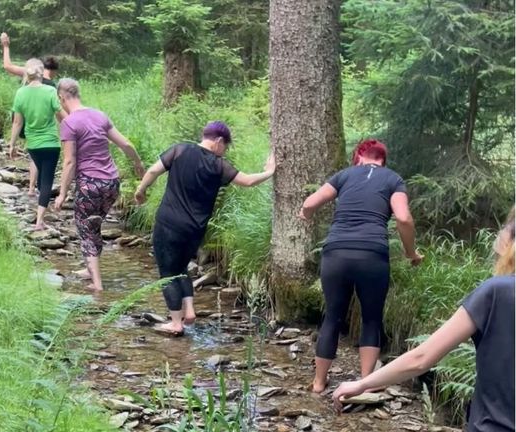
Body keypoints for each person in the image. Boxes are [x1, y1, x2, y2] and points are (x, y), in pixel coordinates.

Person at [333, 210, 515, 432]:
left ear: (509, 240)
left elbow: (421, 359)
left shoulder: (496, 292)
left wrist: (361, 384)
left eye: (504, 227)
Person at [299, 139, 423, 393]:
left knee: (332, 317)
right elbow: (403, 217)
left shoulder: (344, 175)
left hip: (336, 254)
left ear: (358, 157)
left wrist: (306, 215)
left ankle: (319, 383)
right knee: (371, 319)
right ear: (382, 160)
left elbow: (310, 203)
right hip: (372, 255)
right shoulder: (393, 179)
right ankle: (364, 384)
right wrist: (411, 253)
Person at [134, 121, 276, 336]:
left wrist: (140, 191)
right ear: (219, 141)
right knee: (181, 266)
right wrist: (269, 172)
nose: (224, 151)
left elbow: (154, 170)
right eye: (225, 147)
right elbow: (247, 181)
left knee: (167, 272)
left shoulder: (180, 150)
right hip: (195, 229)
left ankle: (175, 322)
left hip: (169, 223)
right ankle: (189, 311)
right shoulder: (219, 166)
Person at [53, 78, 145, 292]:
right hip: (111, 183)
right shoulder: (99, 115)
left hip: (89, 184)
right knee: (94, 225)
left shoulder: (69, 123)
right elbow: (126, 144)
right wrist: (139, 165)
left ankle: (97, 284)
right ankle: (89, 268)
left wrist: (62, 193)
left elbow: (69, 161)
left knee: (85, 228)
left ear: (62, 97)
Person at [8, 59, 66, 230]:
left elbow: (17, 123)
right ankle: (40, 220)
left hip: (32, 144)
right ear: (42, 73)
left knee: (42, 180)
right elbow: (62, 116)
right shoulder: (50, 91)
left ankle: (41, 207)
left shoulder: (20, 93)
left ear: (27, 73)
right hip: (50, 143)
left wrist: (11, 144)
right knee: (46, 180)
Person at [0, 32, 59, 196]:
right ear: (51, 71)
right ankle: (34, 188)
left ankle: (32, 188)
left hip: (22, 117)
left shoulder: (29, 72)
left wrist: (5, 46)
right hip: (41, 123)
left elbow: (7, 66)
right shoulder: (51, 85)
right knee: (37, 155)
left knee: (33, 152)